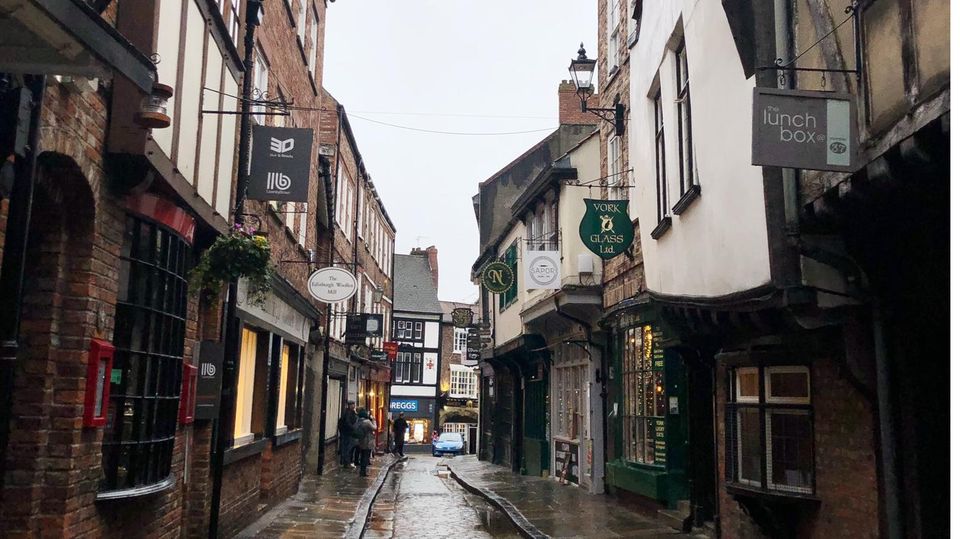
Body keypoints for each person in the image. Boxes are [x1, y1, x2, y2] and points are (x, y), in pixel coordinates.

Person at [354, 408, 377, 477]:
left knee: (362, 455)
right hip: (367, 441)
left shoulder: (358, 421)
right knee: (365, 456)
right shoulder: (367, 422)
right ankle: (363, 472)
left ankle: (362, 471)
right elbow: (374, 428)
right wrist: (374, 421)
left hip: (360, 441)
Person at [337, 401, 358, 468]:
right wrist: (353, 428)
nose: (354, 406)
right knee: (347, 448)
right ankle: (346, 463)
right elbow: (347, 422)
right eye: (352, 405)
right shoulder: (348, 413)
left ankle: (346, 462)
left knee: (348, 448)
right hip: (347, 433)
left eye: (354, 405)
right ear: (349, 405)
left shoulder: (351, 412)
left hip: (348, 433)